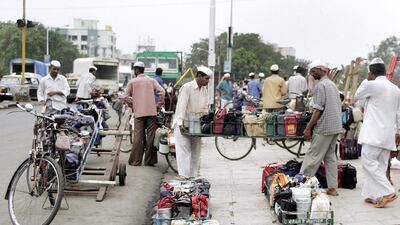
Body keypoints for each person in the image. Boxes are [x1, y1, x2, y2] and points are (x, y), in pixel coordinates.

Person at [355, 57, 400, 208]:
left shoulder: (371, 84)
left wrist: (366, 80)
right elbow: (398, 113)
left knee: (368, 163)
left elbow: (357, 95)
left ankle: (388, 191)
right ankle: (374, 195)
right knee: (379, 166)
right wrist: (398, 130)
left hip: (373, 134)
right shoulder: (395, 89)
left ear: (371, 72)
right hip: (387, 134)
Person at [300, 61, 342, 197]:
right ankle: (332, 188)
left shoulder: (321, 86)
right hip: (335, 126)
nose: (311, 73)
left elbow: (318, 109)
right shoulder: (332, 85)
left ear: (322, 70)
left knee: (313, 156)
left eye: (314, 70)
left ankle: (301, 185)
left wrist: (308, 128)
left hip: (324, 127)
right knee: (330, 157)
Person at [123, 61, 165, 166]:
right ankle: (149, 161)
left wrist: (132, 104)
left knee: (138, 137)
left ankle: (135, 161)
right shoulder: (151, 81)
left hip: (139, 113)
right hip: (151, 112)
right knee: (151, 136)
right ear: (143, 70)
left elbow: (124, 96)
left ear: (136, 70)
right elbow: (162, 92)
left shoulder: (132, 82)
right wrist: (158, 105)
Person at [172, 66, 212, 178]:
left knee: (195, 154)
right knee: (184, 153)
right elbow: (181, 107)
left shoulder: (204, 90)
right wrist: (180, 124)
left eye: (208, 79)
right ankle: (184, 177)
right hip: (183, 124)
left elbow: (204, 108)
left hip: (196, 125)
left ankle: (193, 178)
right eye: (206, 78)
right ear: (199, 76)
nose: (207, 81)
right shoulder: (187, 87)